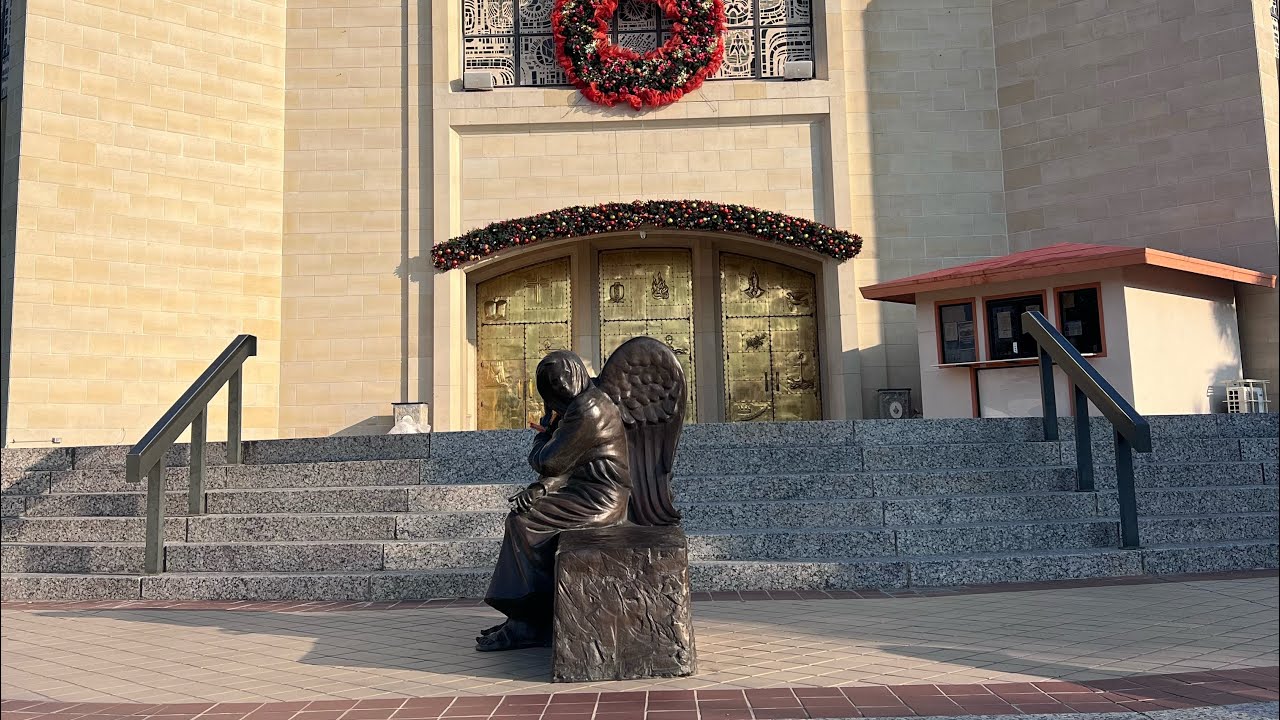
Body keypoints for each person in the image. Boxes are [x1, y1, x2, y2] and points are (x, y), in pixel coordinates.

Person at [476, 350, 632, 651]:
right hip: (584, 489)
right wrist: (543, 489)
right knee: (523, 518)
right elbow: (576, 462)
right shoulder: (586, 401)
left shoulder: (589, 411)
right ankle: (530, 617)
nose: (556, 396)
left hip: (600, 499)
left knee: (523, 523)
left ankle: (529, 621)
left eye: (557, 390)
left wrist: (543, 432)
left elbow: (549, 461)